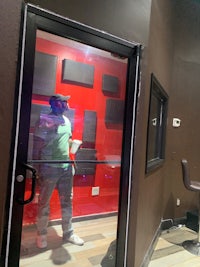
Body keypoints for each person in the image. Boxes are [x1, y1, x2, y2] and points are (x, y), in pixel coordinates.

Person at [33, 94, 84, 249]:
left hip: (66, 168)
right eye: (64, 102)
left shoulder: (67, 121)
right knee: (44, 203)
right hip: (49, 168)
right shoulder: (44, 120)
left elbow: (64, 140)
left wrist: (72, 143)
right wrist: (36, 168)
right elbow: (37, 144)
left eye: (67, 102)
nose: (67, 104)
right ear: (56, 104)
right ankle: (41, 235)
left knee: (67, 201)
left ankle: (68, 233)